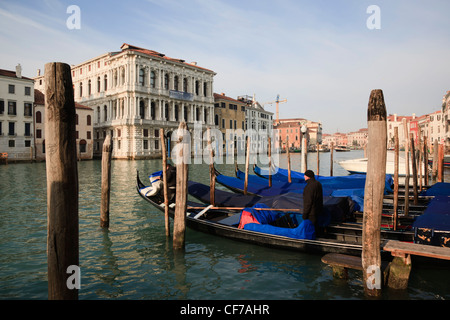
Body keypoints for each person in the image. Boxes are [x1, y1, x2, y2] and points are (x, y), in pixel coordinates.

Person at [302, 170, 323, 234]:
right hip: (318, 210)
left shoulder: (309, 187)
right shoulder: (318, 183)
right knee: (317, 228)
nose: (304, 176)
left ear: (308, 177)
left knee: (311, 229)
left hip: (311, 213)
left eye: (305, 175)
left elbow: (308, 202)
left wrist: (305, 214)